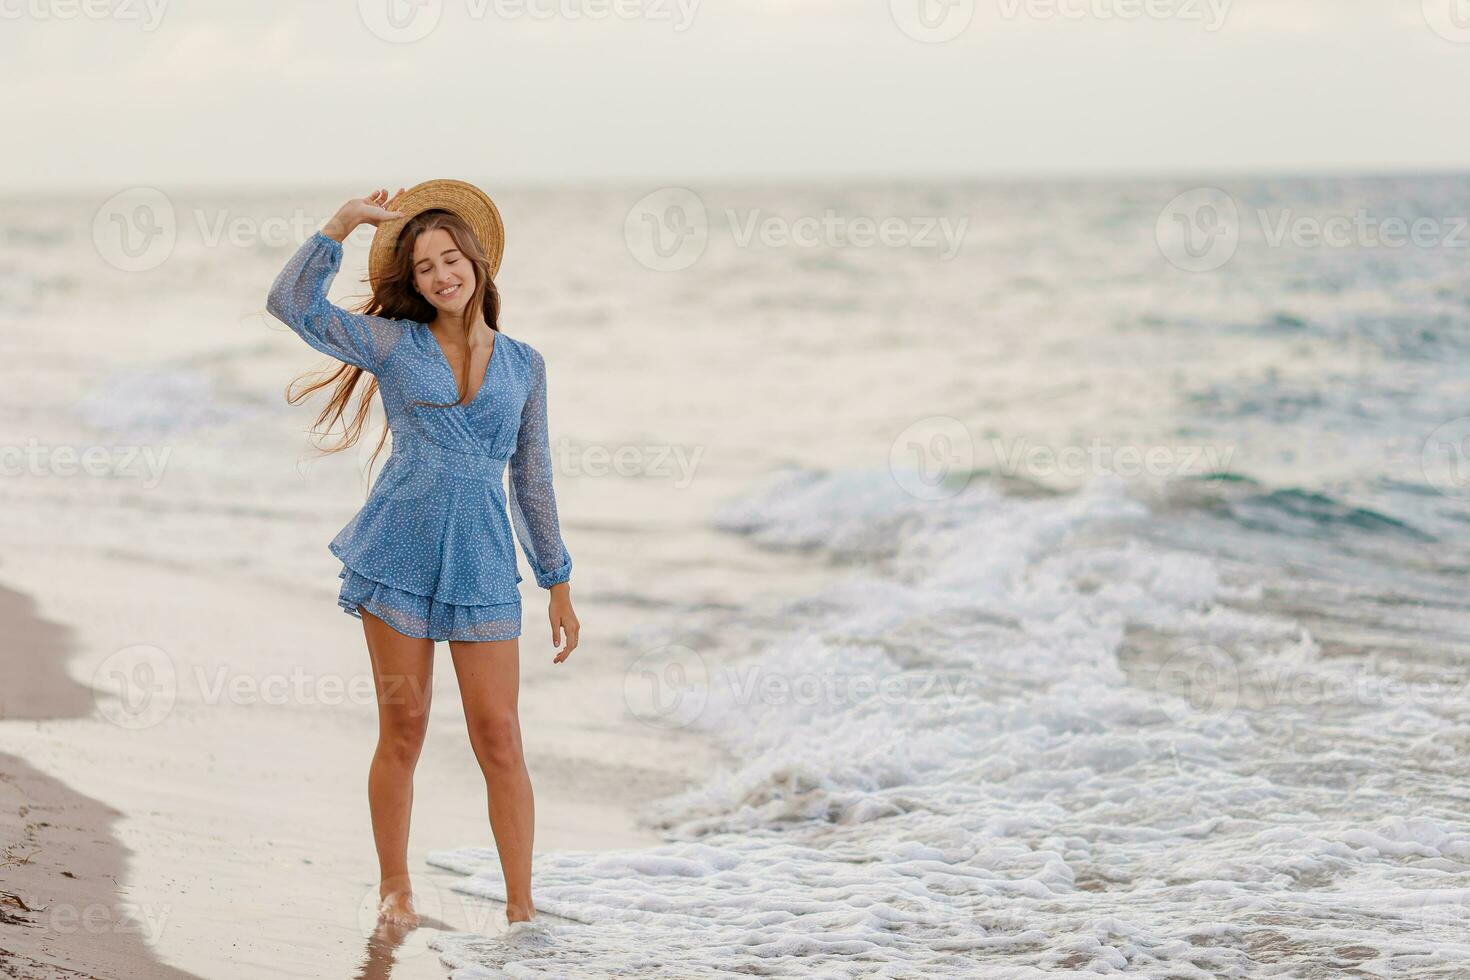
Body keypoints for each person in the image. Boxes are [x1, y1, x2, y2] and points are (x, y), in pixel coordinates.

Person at [266, 182, 580, 928]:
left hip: (481, 561)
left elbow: (531, 475)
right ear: (412, 283)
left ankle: (521, 910)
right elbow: (291, 305)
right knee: (403, 730)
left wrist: (557, 580)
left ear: (477, 261)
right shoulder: (392, 343)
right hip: (398, 552)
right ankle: (395, 892)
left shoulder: (526, 365)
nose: (442, 275)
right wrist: (339, 227)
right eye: (425, 267)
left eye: (451, 258)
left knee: (499, 736)